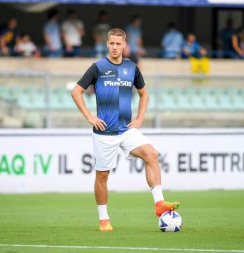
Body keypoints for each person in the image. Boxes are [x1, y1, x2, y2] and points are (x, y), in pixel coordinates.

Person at [71, 28, 180, 232]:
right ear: (107, 44)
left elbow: (144, 94)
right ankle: (104, 219)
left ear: (124, 45)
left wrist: (139, 118)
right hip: (104, 133)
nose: (114, 47)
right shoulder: (98, 67)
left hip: (126, 130)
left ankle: (159, 204)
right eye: (111, 43)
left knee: (152, 154)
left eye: (118, 44)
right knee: (102, 176)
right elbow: (76, 91)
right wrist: (89, 116)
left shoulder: (132, 67)